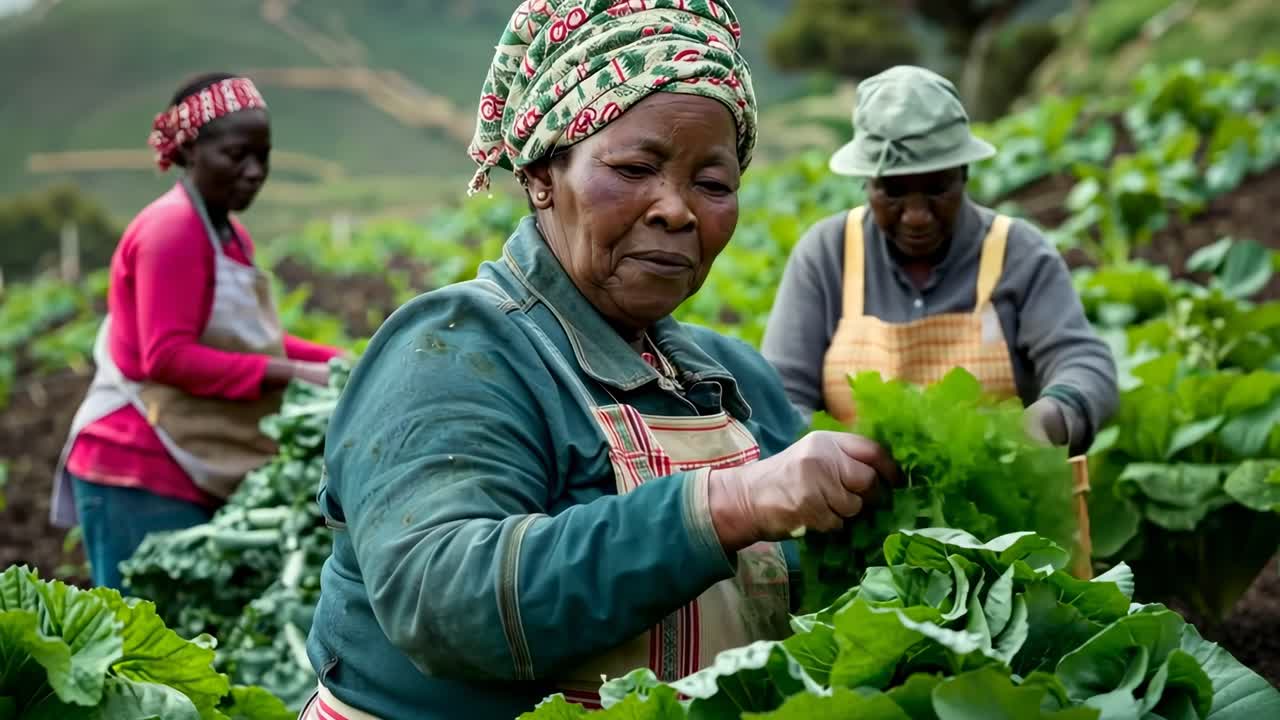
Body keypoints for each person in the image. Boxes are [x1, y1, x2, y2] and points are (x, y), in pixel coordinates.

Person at [300, 3, 897, 719]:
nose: (677, 210)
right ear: (543, 174)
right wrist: (733, 501)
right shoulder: (454, 352)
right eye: (635, 167)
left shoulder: (734, 380)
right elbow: (443, 599)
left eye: (714, 184)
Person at [50, 73, 346, 591]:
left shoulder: (227, 232)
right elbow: (167, 357)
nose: (255, 172)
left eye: (263, 156)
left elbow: (254, 343)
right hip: (137, 462)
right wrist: (298, 373)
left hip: (184, 456)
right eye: (236, 155)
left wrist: (345, 362)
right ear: (189, 152)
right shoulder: (173, 231)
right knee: (143, 649)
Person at [761, 65, 1118, 456]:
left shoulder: (1017, 253)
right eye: (892, 193)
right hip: (856, 506)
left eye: (937, 189)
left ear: (963, 175)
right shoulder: (828, 255)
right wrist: (837, 458)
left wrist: (1049, 418)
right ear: (867, 184)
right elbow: (782, 394)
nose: (916, 216)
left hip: (1000, 500)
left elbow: (1082, 361)